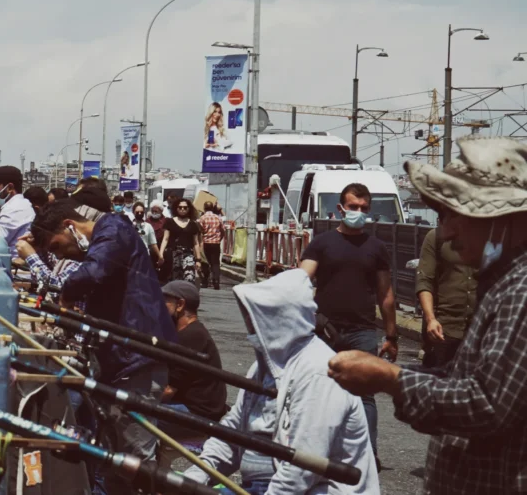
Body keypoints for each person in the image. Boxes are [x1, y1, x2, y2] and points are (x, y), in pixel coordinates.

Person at [328, 137, 527, 494]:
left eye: (456, 215)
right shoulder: (503, 281)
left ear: (501, 219)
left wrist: (391, 378)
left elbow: (487, 404)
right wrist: (397, 376)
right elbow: (464, 381)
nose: (447, 231)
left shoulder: (520, 290)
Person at [185, 268, 378, 494]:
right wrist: (192, 479)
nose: (249, 322)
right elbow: (232, 433)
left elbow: (302, 470)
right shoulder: (262, 368)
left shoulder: (318, 373)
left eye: (255, 315)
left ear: (278, 319)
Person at [33, 200, 176, 494]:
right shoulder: (106, 236)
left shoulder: (113, 229)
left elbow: (91, 273)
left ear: (70, 227)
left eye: (57, 246)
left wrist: (66, 298)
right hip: (117, 360)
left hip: (136, 360)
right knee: (113, 460)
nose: (60, 255)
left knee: (136, 457)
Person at [300, 182, 396, 462]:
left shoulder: (376, 247)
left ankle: (368, 455)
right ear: (340, 209)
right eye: (353, 206)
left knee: (364, 394)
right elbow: (301, 279)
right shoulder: (322, 243)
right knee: (318, 388)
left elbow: (386, 294)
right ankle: (316, 451)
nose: (358, 212)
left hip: (362, 330)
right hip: (324, 330)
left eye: (364, 208)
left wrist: (391, 335)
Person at [160, 280, 227, 422]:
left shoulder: (191, 336)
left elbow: (168, 391)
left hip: (198, 412)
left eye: (165, 301)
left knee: (136, 415)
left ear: (180, 305)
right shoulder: (188, 331)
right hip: (191, 406)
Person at [414, 227, 476, 368]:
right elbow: (424, 281)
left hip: (478, 331)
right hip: (443, 329)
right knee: (437, 377)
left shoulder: (490, 237)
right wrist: (430, 319)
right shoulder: (436, 237)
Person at [157, 198, 203, 285]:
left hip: (188, 255)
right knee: (175, 281)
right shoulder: (169, 222)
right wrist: (161, 254)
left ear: (189, 209)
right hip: (173, 254)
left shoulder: (193, 224)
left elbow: (196, 243)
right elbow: (165, 239)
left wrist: (198, 260)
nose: (182, 209)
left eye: (185, 207)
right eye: (180, 207)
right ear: (176, 208)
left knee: (189, 278)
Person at [197, 201, 226, 290]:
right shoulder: (218, 218)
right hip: (216, 243)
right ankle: (216, 281)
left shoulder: (202, 218)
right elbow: (223, 230)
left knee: (205, 263)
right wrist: (219, 239)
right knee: (215, 263)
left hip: (205, 243)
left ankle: (205, 282)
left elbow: (200, 231)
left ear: (204, 208)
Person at [130, 202, 162, 267]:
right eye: (137, 212)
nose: (139, 213)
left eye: (141, 212)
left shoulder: (148, 226)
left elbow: (153, 243)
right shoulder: (128, 225)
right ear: (133, 212)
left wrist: (160, 256)